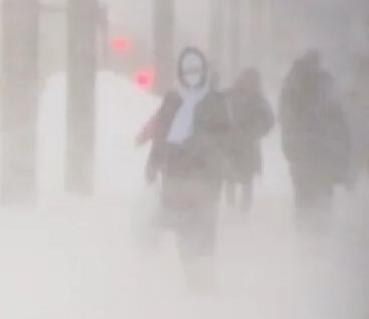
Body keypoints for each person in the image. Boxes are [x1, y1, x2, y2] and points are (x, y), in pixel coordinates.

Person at [137, 47, 232, 289]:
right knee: (183, 225)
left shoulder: (215, 101)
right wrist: (154, 162)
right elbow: (162, 133)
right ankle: (192, 275)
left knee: (205, 224)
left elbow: (225, 135)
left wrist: (203, 147)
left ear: (204, 71)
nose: (192, 75)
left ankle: (205, 277)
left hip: (205, 175)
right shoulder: (173, 99)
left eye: (196, 70)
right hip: (176, 175)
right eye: (187, 70)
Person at [279, 51, 352, 234]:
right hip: (310, 149)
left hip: (315, 149)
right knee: (312, 192)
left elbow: (338, 115)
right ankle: (312, 232)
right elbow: (286, 118)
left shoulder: (310, 84)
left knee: (314, 192)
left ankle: (314, 231)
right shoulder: (297, 85)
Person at [222, 68, 275, 212]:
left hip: (248, 146)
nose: (251, 84)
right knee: (230, 179)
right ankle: (231, 209)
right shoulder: (231, 95)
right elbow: (218, 110)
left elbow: (269, 120)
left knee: (247, 180)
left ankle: (244, 212)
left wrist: (256, 131)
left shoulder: (258, 99)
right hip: (232, 145)